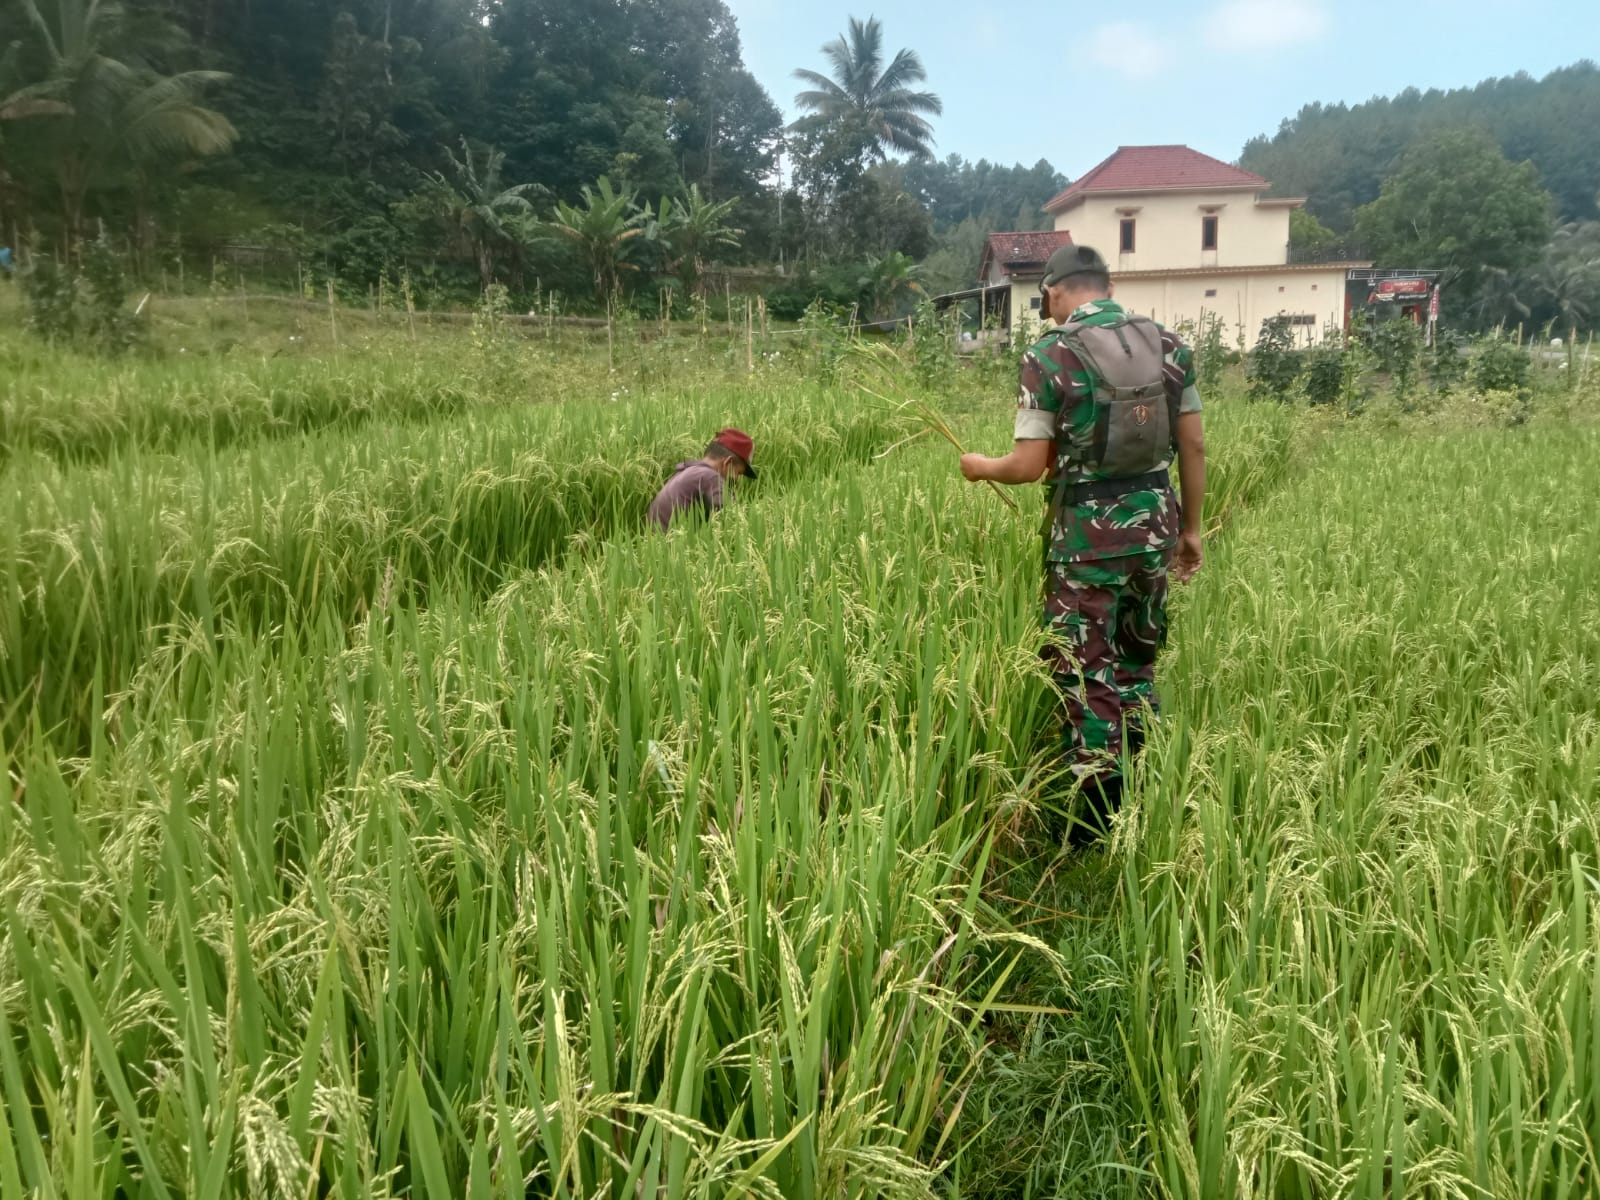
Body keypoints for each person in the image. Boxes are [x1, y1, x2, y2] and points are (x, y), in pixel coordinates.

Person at [958, 244, 1206, 845]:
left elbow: (1026, 465)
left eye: (1045, 297)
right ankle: (1143, 777)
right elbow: (1193, 449)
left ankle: (1094, 825)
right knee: (1135, 657)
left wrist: (979, 467)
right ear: (1106, 284)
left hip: (1085, 543)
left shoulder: (1049, 354)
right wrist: (1191, 529)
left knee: (1083, 671)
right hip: (1154, 529)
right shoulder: (1170, 348)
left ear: (1058, 290)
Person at [646, 427, 758, 532]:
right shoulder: (710, 477)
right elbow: (732, 520)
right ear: (728, 462)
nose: (737, 479)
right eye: (738, 473)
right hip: (672, 549)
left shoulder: (687, 472)